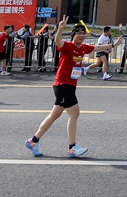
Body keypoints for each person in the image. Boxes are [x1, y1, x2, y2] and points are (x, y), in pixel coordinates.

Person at [25, 17, 108, 158]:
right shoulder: (67, 46)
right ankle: (72, 147)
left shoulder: (83, 48)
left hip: (70, 85)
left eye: (83, 33)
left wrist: (114, 44)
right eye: (78, 33)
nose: (81, 35)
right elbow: (58, 41)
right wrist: (60, 29)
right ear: (73, 35)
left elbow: (97, 48)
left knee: (54, 115)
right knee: (74, 114)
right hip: (63, 85)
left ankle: (33, 141)